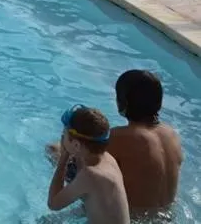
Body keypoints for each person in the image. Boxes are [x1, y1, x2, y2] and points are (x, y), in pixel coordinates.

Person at [46, 70, 183, 218]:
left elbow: (84, 157)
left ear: (123, 102)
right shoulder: (172, 135)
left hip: (133, 218)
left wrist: (63, 151)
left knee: (53, 150)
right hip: (167, 217)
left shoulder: (120, 137)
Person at [47, 105, 129, 224]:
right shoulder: (108, 159)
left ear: (76, 145)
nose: (62, 138)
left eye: (64, 135)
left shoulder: (90, 175)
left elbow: (53, 204)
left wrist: (64, 158)